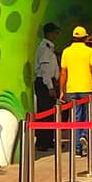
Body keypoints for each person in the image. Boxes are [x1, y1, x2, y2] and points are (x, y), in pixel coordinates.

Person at [59, 26, 92, 157]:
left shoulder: (66, 52)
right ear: (85, 37)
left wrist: (62, 90)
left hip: (71, 89)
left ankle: (77, 149)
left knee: (76, 118)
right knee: (88, 116)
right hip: (86, 88)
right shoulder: (89, 51)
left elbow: (63, 72)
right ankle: (85, 135)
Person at [34, 22, 60, 151]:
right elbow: (44, 69)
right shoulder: (44, 47)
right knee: (44, 112)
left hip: (49, 81)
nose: (56, 35)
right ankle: (42, 141)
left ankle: (48, 139)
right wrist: (50, 86)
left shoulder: (49, 47)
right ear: (49, 33)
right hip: (44, 83)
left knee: (50, 113)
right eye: (55, 32)